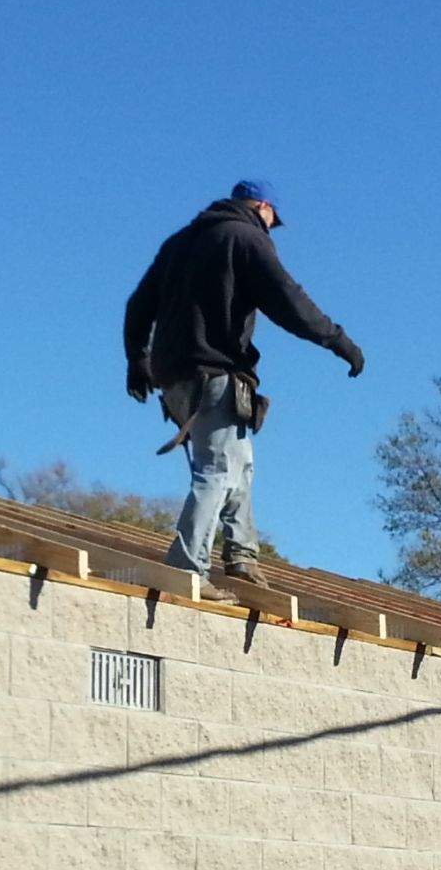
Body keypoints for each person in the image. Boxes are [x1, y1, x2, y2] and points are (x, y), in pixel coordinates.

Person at [123, 179, 364, 586]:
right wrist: (338, 341)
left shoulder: (179, 243)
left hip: (174, 377)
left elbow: (138, 304)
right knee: (217, 469)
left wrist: (137, 359)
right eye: (272, 218)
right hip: (212, 372)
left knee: (240, 463)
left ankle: (242, 557)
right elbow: (289, 299)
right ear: (263, 207)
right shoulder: (245, 237)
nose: (272, 227)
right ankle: (186, 569)